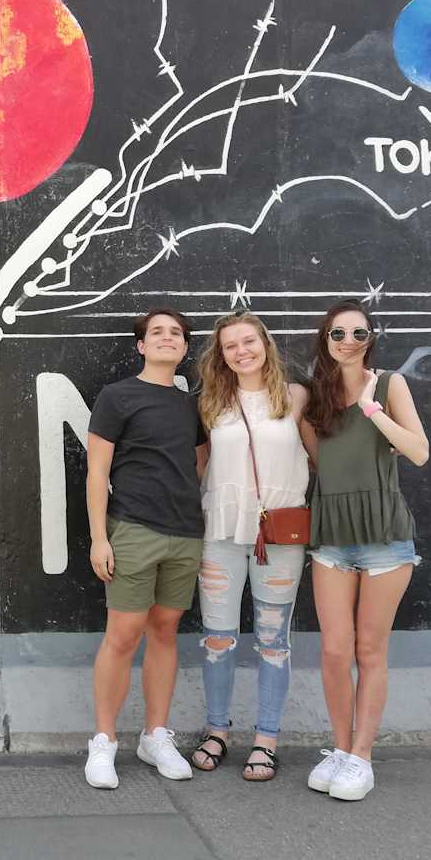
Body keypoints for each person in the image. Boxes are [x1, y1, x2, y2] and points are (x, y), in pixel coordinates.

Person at [300, 299, 429, 802]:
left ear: (370, 338)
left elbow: (418, 451)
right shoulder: (315, 397)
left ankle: (362, 757)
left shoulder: (391, 384)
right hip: (331, 534)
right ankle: (339, 749)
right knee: (334, 651)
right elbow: (320, 463)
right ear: (325, 341)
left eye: (359, 333)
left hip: (384, 537)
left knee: (370, 650)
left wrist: (374, 410)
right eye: (338, 335)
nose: (349, 342)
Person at [83, 307, 208, 790]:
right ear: (141, 345)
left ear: (183, 347)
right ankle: (104, 741)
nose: (166, 338)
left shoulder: (190, 406)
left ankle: (155, 735)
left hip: (185, 533)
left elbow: (197, 464)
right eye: (156, 332)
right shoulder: (118, 396)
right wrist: (99, 537)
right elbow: (97, 472)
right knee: (123, 633)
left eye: (175, 333)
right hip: (132, 530)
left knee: (165, 630)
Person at [189, 311, 310, 782]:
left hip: (278, 536)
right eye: (230, 346)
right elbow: (198, 467)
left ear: (265, 344)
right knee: (218, 640)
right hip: (219, 533)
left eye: (248, 341)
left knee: (273, 643)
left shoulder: (295, 397)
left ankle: (266, 739)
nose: (242, 351)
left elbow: (321, 457)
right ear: (220, 356)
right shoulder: (210, 403)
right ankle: (217, 730)